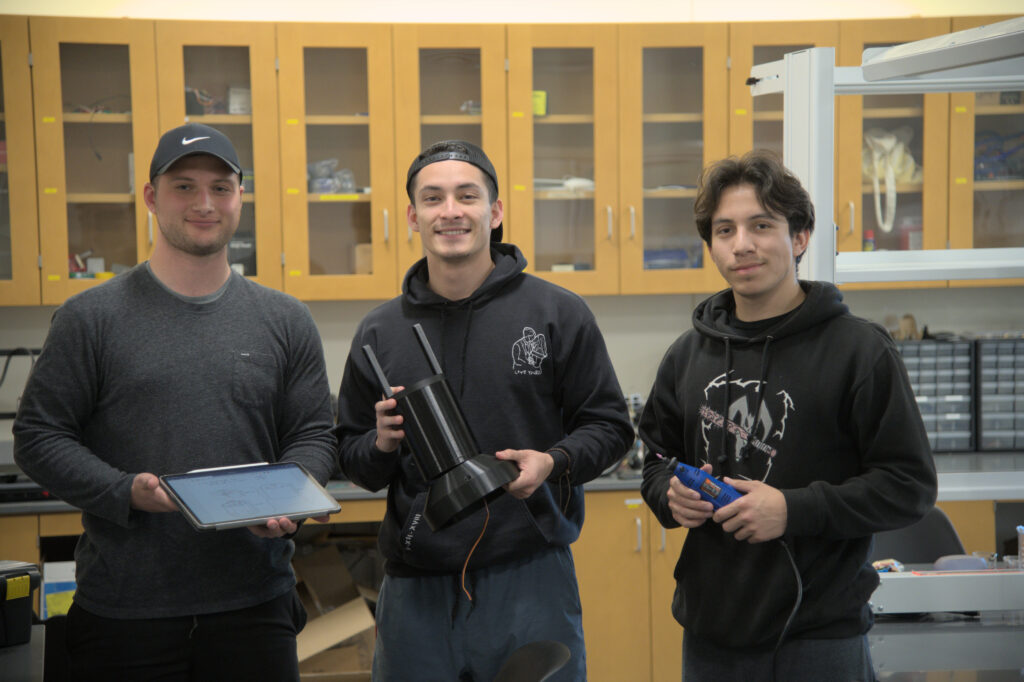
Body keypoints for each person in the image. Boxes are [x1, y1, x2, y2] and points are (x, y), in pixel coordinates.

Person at [13, 123, 337, 681]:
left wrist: (289, 498)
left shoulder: (286, 319)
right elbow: (39, 437)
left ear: (240, 196)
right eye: (184, 186)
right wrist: (125, 492)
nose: (205, 203)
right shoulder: (90, 318)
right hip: (125, 612)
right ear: (151, 197)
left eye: (221, 187)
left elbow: (313, 434)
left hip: (255, 608)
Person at [336, 140, 633, 681]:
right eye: (433, 198)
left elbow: (610, 427)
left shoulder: (557, 313)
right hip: (415, 588)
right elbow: (352, 460)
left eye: (466, 196)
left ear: (494, 212)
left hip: (530, 577)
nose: (450, 211)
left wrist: (553, 461)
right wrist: (379, 444)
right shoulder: (379, 333)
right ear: (413, 216)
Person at [638, 150, 937, 681]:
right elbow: (657, 458)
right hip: (711, 635)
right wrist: (669, 493)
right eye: (725, 230)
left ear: (798, 238)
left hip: (818, 635)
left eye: (761, 225)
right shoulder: (687, 354)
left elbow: (908, 485)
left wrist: (793, 510)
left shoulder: (859, 351)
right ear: (711, 246)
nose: (742, 244)